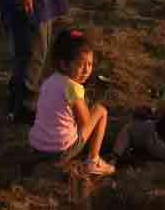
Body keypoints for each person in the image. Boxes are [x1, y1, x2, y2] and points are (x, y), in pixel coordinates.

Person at [29, 30, 116, 176]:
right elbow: (85, 122)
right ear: (64, 64)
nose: (87, 70)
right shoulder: (73, 87)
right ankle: (93, 161)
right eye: (81, 65)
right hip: (59, 151)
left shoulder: (49, 81)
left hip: (37, 146)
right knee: (101, 111)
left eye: (90, 64)